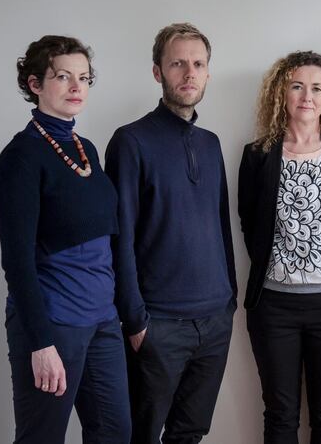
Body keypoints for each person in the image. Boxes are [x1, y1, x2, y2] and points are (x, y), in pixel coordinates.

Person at [0, 35, 131, 443]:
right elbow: (16, 260)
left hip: (102, 319)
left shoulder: (86, 149)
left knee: (115, 433)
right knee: (42, 437)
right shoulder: (20, 158)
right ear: (35, 84)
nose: (76, 87)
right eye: (63, 77)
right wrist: (40, 343)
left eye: (84, 78)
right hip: (54, 324)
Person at [104, 23, 237, 443]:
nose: (189, 73)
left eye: (198, 64)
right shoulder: (130, 142)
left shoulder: (211, 144)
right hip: (158, 323)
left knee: (190, 433)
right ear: (157, 72)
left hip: (215, 319)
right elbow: (119, 236)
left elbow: (221, 225)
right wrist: (135, 320)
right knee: (140, 434)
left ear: (208, 72)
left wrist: (229, 299)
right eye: (178, 63)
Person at [238, 50, 321, 444]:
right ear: (281, 93)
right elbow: (250, 223)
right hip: (273, 307)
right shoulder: (258, 154)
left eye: (316, 88)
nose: (307, 96)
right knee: (280, 416)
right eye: (297, 86)